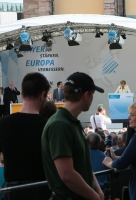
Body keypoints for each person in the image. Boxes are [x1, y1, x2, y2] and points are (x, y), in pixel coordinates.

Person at [41, 72, 104, 200]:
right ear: (86, 95)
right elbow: (67, 175)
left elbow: (82, 163)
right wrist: (95, 196)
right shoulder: (60, 124)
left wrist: (97, 190)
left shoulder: (71, 122)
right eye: (92, 94)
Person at [0, 72, 52, 200]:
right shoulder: (48, 124)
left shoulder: (3, 123)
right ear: (43, 95)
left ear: (22, 93)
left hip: (14, 191)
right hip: (42, 189)